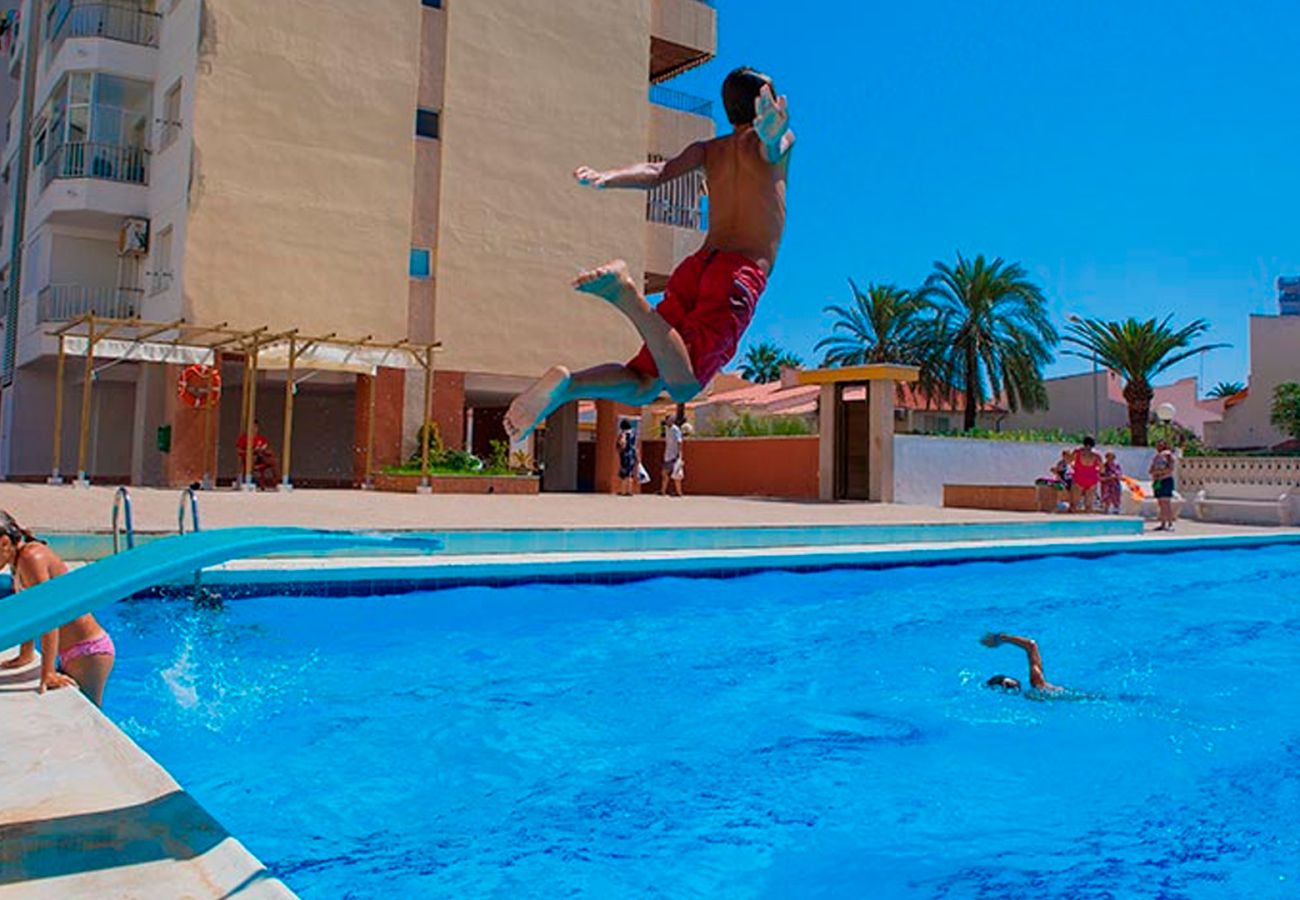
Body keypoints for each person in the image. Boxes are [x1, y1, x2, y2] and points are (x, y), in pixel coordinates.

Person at [504, 67, 794, 441]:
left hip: (697, 267)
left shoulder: (709, 150)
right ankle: (625, 294)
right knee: (685, 387)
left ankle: (569, 386)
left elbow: (658, 171)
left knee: (644, 382)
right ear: (764, 102)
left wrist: (609, 177)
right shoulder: (773, 140)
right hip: (737, 274)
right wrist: (772, 135)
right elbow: (774, 146)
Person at [0, 511, 115, 706]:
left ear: (3, 542)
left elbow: (49, 615)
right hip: (73, 651)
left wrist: (49, 672)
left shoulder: (31, 558)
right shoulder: (18, 560)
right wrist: (25, 655)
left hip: (87, 651)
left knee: (88, 718)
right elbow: (30, 611)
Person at [980, 632, 1061, 695]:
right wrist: (1002, 638)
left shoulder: (1031, 694)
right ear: (1005, 684)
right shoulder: (1037, 684)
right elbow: (1031, 645)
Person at [236, 419, 279, 490]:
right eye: (252, 427)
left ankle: (276, 483)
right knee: (253, 458)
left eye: (255, 427)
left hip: (262, 457)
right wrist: (250, 452)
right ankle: (252, 481)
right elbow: (239, 450)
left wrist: (265, 451)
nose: (254, 429)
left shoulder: (261, 439)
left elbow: (269, 450)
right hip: (250, 458)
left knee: (274, 461)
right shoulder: (244, 438)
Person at [1149, 439, 1178, 531]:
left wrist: (1159, 473)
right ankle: (1163, 523)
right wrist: (1155, 473)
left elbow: (1170, 469)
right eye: (1157, 445)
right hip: (1158, 481)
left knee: (1166, 502)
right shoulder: (1156, 457)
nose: (1158, 447)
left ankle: (1170, 523)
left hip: (1165, 480)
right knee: (1160, 503)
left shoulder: (1168, 456)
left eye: (1160, 445)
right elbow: (1151, 469)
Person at [1071, 436, 1102, 513]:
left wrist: (1074, 466)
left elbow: (1069, 461)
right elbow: (1102, 469)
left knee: (1074, 504)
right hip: (1092, 478)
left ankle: (1072, 524)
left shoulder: (1077, 452)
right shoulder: (1096, 455)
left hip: (1079, 477)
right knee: (1089, 505)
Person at [660, 414, 685, 497]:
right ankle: (663, 491)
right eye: (668, 420)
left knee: (676, 474)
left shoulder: (676, 429)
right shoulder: (666, 428)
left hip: (674, 455)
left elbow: (680, 442)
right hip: (667, 454)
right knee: (665, 473)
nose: (670, 421)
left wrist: (679, 454)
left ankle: (678, 492)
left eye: (671, 420)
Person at [616, 419, 638, 496]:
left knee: (624, 473)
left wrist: (620, 448)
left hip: (625, 454)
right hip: (632, 454)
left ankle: (622, 491)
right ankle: (629, 490)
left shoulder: (623, 433)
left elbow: (623, 442)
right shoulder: (633, 433)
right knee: (630, 473)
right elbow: (635, 445)